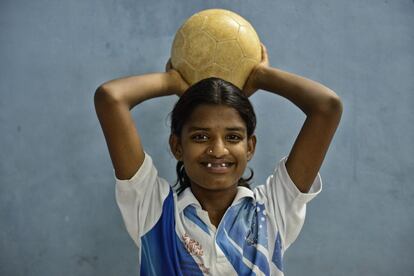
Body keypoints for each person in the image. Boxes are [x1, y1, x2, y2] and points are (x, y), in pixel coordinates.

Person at [94, 44, 342, 275]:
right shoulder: (153, 210)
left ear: (250, 147)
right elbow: (110, 97)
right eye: (201, 137)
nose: (218, 150)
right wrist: (174, 83)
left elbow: (327, 106)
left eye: (233, 137)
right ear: (177, 146)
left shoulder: (272, 210)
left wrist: (260, 75)